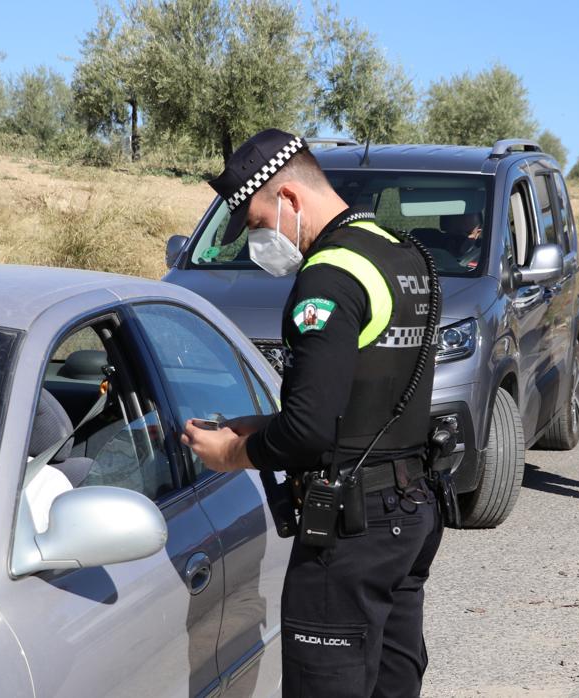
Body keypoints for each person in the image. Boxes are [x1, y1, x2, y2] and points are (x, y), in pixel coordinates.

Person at [182, 129, 442, 697]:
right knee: (392, 684)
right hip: (408, 510)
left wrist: (231, 452)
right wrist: (263, 426)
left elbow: (308, 430)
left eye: (257, 223)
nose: (258, 241)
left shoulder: (328, 276)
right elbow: (368, 395)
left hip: (352, 531)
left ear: (289, 199)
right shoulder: (401, 254)